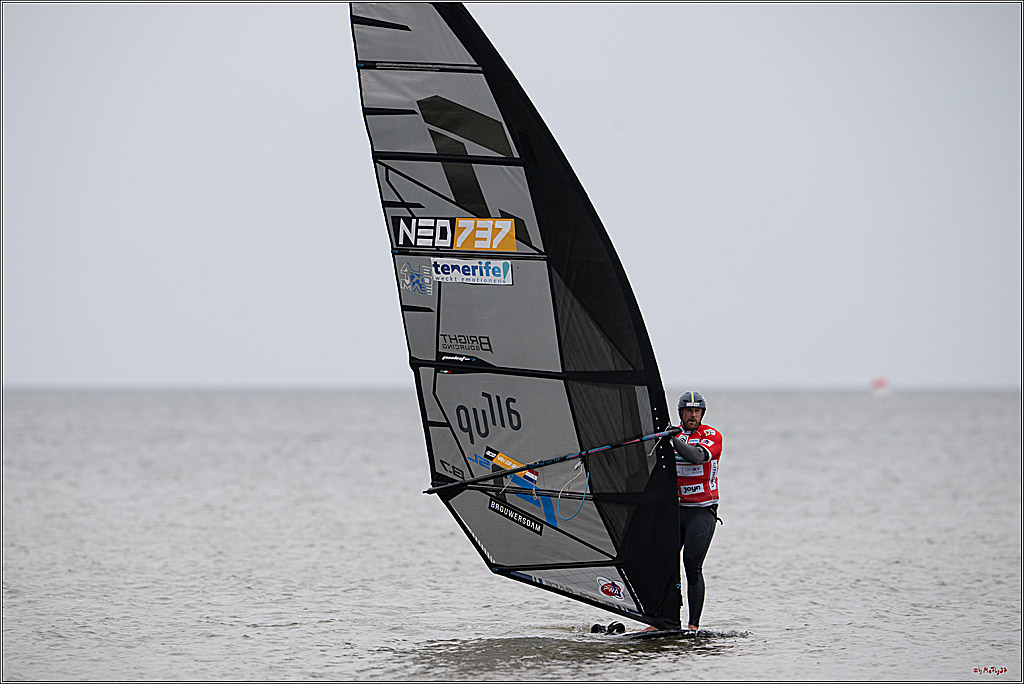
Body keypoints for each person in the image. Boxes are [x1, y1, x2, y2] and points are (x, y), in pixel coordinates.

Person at [665, 391, 724, 631]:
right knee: (665, 566)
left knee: (692, 565)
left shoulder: (711, 435)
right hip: (674, 511)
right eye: (688, 411)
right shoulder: (670, 436)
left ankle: (693, 626)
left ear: (702, 414)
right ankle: (664, 621)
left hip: (701, 512)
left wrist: (672, 439)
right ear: (681, 413)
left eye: (696, 411)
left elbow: (696, 457)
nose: (692, 415)